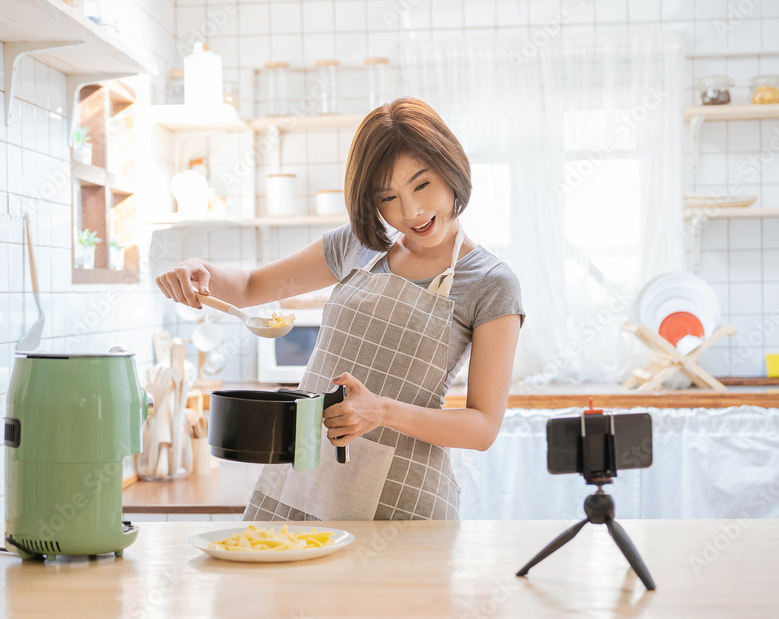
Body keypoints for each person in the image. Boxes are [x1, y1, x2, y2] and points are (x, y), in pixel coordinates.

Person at [156, 97, 524, 520]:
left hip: (403, 500)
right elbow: (252, 286)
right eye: (388, 197)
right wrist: (197, 270)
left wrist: (381, 410)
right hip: (305, 477)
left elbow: (482, 428)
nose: (411, 212)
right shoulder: (357, 245)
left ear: (450, 167)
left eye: (422, 185)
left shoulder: (491, 282)